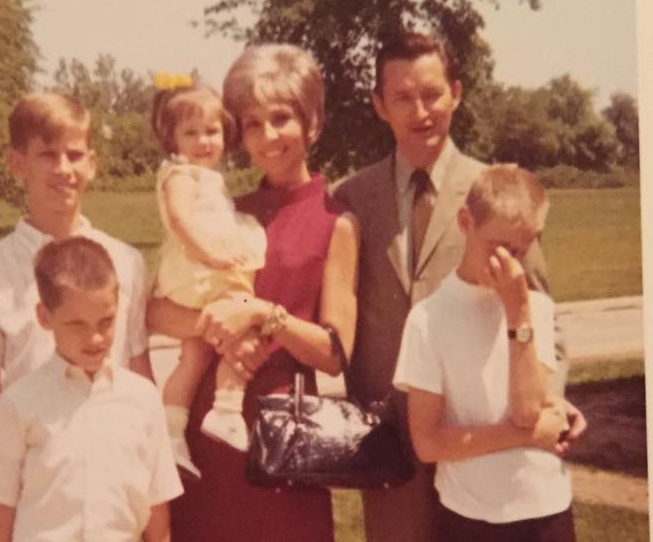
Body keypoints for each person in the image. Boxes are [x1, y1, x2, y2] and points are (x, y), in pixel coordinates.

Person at [330, 31, 585, 542]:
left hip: (485, 441)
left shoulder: (498, 194)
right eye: (403, 97)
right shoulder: (352, 197)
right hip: (393, 443)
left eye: (432, 94)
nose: (420, 111)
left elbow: (541, 315)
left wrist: (548, 402)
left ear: (456, 93)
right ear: (380, 105)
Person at [148, 44, 359, 541]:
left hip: (282, 436)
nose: (268, 136)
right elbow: (155, 313)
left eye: (281, 118)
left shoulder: (335, 222)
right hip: (203, 427)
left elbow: (335, 354)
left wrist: (262, 313)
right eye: (252, 124)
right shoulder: (221, 212)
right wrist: (216, 327)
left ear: (311, 122)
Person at [0, 92, 152, 469]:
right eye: (47, 155)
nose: (63, 168)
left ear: (92, 164)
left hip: (115, 463)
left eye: (74, 155)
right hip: (35, 470)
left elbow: (140, 373)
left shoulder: (126, 262)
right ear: (18, 163)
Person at [394, 164, 576, 542]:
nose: (508, 264)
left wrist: (518, 312)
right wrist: (527, 436)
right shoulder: (427, 320)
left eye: (520, 251)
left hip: (545, 504)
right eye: (498, 247)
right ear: (466, 222)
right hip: (470, 513)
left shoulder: (536, 308)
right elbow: (427, 443)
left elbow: (527, 410)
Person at [0, 236, 183, 542]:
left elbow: (157, 503)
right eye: (77, 324)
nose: (94, 338)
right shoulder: (21, 402)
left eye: (105, 322)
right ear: (44, 317)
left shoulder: (142, 399)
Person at [149, 77, 268, 476]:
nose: (203, 141)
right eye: (191, 133)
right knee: (246, 323)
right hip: (201, 275)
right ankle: (227, 409)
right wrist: (213, 255)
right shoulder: (183, 176)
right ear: (173, 139)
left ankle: (171, 433)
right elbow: (180, 220)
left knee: (195, 354)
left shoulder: (204, 178)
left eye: (211, 131)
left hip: (200, 275)